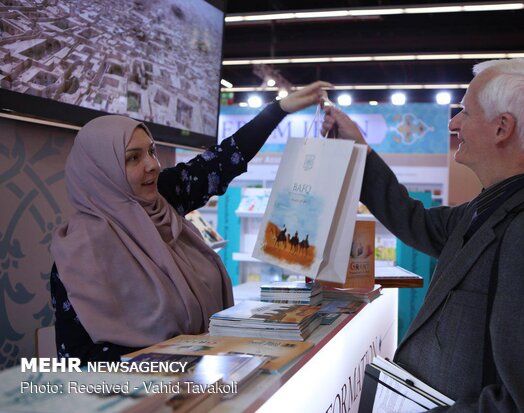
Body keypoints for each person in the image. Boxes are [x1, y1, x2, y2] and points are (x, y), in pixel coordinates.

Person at [321, 59, 524, 412]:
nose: (455, 124)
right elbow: (417, 222)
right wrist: (359, 149)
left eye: (465, 112)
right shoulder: (496, 204)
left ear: (502, 127)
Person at [50, 81, 331, 363]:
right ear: (101, 171)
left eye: (151, 151)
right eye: (132, 158)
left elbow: (221, 161)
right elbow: (80, 359)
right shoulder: (80, 254)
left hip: (211, 380)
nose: (152, 165)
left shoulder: (164, 199)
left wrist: (278, 110)